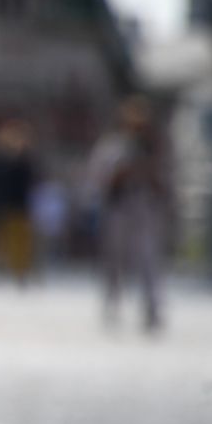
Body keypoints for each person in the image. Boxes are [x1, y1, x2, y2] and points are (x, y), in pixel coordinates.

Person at [87, 97, 172, 333]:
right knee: (114, 261)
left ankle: (151, 308)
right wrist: (121, 173)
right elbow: (98, 178)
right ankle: (112, 305)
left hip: (145, 208)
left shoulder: (154, 148)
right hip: (118, 208)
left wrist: (150, 172)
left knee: (148, 260)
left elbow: (165, 182)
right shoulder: (112, 146)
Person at [0, 119, 38, 286]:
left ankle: (20, 273)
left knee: (20, 243)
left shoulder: (24, 162)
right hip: (4, 205)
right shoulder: (1, 161)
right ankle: (3, 272)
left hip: (20, 206)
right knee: (3, 242)